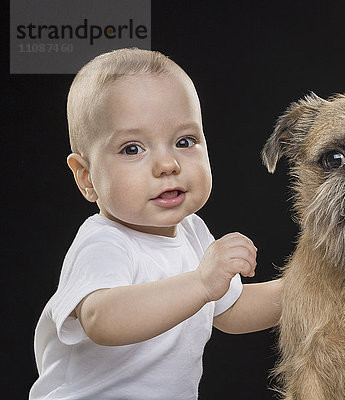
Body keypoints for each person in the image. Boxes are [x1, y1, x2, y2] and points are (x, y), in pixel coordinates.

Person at [29, 48, 282, 400]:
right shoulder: (104, 242)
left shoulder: (194, 234)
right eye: (133, 149)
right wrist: (200, 282)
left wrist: (314, 289)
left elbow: (233, 311)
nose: (167, 164)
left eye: (184, 141)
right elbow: (102, 319)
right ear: (87, 177)